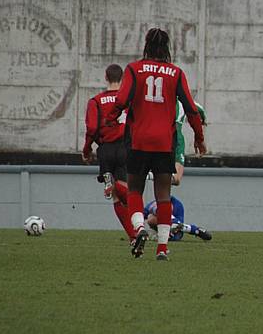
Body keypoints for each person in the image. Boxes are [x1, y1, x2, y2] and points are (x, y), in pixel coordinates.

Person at [109, 27, 206, 261]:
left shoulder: (134, 69)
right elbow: (191, 108)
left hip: (138, 140)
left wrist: (110, 118)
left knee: (134, 190)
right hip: (164, 143)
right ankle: (162, 248)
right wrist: (199, 137)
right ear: (167, 47)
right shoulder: (176, 73)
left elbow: (121, 100)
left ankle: (139, 228)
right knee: (163, 195)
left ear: (146, 45)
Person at [82, 64, 135, 244]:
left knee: (115, 197)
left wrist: (87, 149)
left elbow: (92, 128)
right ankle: (136, 228)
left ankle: (133, 236)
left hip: (105, 149)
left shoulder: (95, 101)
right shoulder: (128, 100)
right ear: (123, 79)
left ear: (106, 77)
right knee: (126, 192)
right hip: (125, 147)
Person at [144, 196, 212, 241]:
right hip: (163, 223)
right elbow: (142, 214)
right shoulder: (152, 206)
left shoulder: (177, 206)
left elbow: (179, 225)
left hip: (172, 225)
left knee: (175, 234)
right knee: (151, 219)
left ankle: (196, 230)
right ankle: (196, 230)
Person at [171, 101, 206, 186]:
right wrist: (199, 138)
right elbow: (200, 111)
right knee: (176, 178)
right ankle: (152, 176)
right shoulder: (181, 100)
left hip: (148, 133)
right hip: (174, 136)